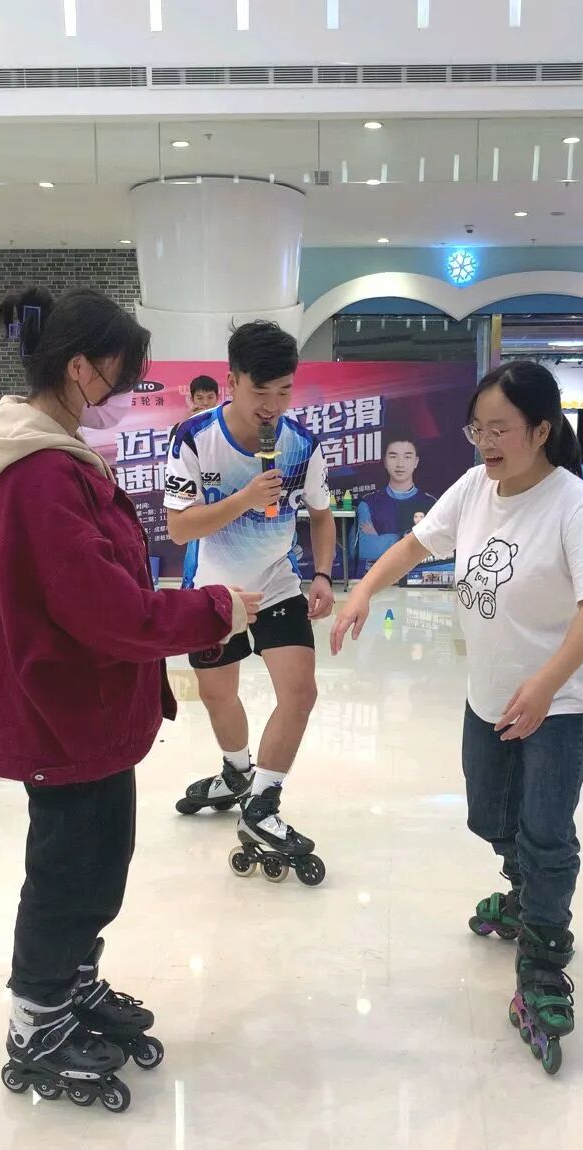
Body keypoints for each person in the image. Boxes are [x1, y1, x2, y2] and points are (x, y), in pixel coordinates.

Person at [0, 286, 259, 1111]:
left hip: (84, 712)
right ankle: (36, 1019)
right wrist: (212, 609)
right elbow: (103, 609)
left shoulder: (52, 457)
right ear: (79, 369)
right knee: (67, 873)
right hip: (62, 713)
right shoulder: (38, 476)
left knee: (98, 866)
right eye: (124, 377)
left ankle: (72, 982)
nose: (130, 394)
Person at [332, 361, 583, 1074]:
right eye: (476, 429)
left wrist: (547, 683)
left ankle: (543, 958)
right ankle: (524, 892)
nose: (485, 443)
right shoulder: (474, 488)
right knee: (490, 816)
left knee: (546, 832)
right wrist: (362, 590)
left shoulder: (573, 505)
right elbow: (413, 544)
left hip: (555, 705)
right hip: (486, 696)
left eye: (500, 429)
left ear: (541, 431)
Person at [165, 320, 336, 859]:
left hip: (278, 583)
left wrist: (323, 574)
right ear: (231, 381)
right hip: (214, 590)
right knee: (218, 694)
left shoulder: (302, 444)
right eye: (260, 391)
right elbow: (179, 528)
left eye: (284, 391)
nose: (272, 406)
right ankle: (236, 770)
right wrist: (244, 498)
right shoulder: (193, 438)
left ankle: (262, 804)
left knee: (301, 693)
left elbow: (321, 514)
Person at [354, 430, 436, 573]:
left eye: (407, 457)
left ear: (416, 461)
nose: (400, 464)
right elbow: (362, 549)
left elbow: (435, 547)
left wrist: (380, 539)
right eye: (393, 456)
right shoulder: (369, 503)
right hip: (378, 578)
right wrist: (410, 541)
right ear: (385, 461)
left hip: (417, 579)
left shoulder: (430, 503)